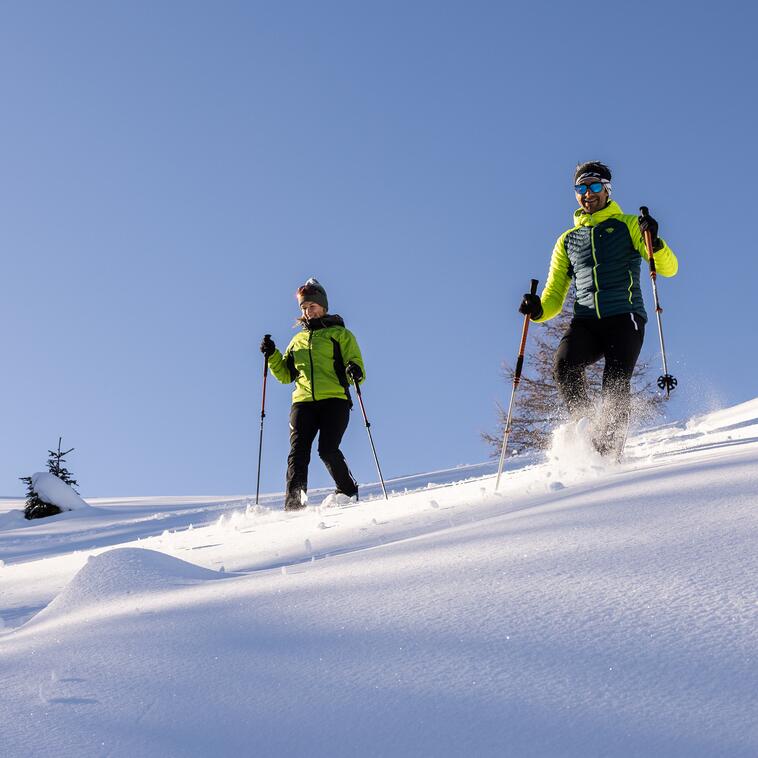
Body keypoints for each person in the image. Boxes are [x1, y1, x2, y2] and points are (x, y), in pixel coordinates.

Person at [519, 161, 679, 457]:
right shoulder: (566, 240)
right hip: (586, 322)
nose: (587, 193)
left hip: (625, 317)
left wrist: (654, 241)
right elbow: (554, 294)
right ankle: (586, 429)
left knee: (615, 381)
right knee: (564, 365)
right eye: (581, 188)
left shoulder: (630, 225)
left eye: (594, 186)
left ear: (607, 190)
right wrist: (538, 309)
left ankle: (609, 452)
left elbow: (668, 269)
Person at [260, 278, 365, 510]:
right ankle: (294, 503)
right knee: (298, 453)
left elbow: (356, 367)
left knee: (327, 449)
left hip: (334, 400)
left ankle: (347, 491)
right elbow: (286, 375)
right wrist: (272, 355)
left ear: (323, 307)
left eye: (312, 307)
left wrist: (354, 370)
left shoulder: (340, 335)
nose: (308, 311)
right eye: (304, 308)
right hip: (303, 402)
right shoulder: (297, 340)